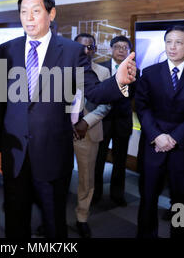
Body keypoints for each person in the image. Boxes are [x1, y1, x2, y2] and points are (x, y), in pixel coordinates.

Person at [0, 0, 136, 238]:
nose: (29, 18)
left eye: (36, 11)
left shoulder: (70, 51)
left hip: (53, 152)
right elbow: (0, 101)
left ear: (51, 13)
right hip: (14, 152)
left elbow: (94, 92)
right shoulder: (7, 49)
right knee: (15, 218)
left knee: (54, 220)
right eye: (24, 12)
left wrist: (118, 82)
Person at [135, 25, 184, 238]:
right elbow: (142, 107)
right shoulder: (150, 73)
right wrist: (157, 136)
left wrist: (174, 138)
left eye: (178, 42)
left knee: (181, 201)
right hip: (154, 146)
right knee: (148, 197)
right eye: (169, 41)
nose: (172, 47)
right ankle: (145, 234)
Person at [72, 33, 111, 238]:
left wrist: (85, 122)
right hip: (59, 131)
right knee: (55, 175)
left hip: (88, 131)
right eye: (80, 47)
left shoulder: (103, 72)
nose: (84, 51)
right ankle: (52, 217)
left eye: (89, 47)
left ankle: (82, 217)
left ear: (94, 49)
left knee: (86, 179)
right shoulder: (60, 69)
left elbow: (106, 104)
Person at [94, 36, 138, 207]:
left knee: (120, 161)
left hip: (122, 121)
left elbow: (132, 96)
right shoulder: (99, 68)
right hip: (101, 121)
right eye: (117, 47)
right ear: (111, 49)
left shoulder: (135, 70)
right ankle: (96, 193)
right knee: (98, 160)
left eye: (124, 47)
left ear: (128, 51)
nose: (121, 50)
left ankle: (117, 194)